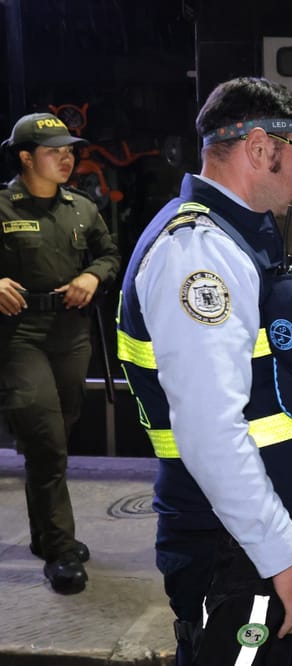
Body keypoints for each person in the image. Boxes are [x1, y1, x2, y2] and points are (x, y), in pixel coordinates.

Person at [116, 77, 292, 665]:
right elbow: (209, 432)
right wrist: (283, 559)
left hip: (265, 532)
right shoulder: (197, 252)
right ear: (257, 148)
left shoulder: (237, 240)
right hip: (236, 549)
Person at [0, 112, 121, 595]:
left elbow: (109, 255)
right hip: (19, 334)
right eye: (55, 151)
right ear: (27, 157)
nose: (67, 158)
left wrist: (93, 275)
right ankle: (61, 549)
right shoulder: (2, 206)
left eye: (70, 150)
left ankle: (45, 531)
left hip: (70, 333)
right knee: (46, 439)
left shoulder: (81, 208)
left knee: (57, 431)